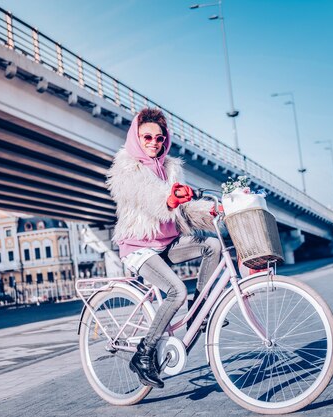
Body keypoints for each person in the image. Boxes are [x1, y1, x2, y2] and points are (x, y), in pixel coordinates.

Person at [106, 108, 221, 389]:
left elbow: (182, 208)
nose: (154, 143)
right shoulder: (126, 168)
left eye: (159, 138)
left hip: (167, 243)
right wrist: (170, 199)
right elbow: (150, 197)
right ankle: (144, 354)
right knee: (176, 291)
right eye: (147, 137)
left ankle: (200, 311)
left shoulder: (170, 167)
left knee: (213, 245)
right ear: (137, 136)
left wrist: (213, 210)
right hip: (138, 246)